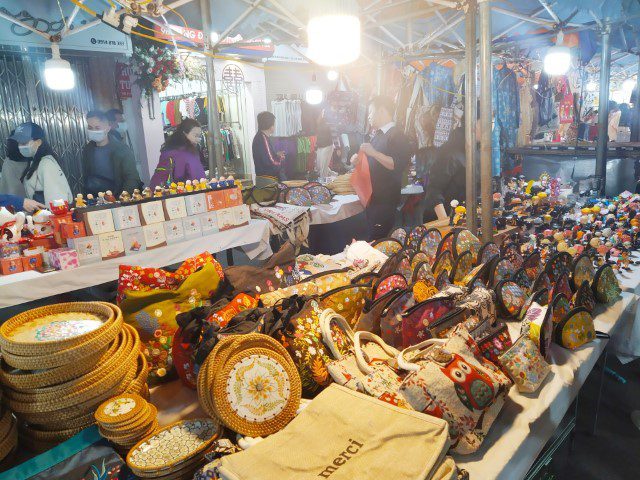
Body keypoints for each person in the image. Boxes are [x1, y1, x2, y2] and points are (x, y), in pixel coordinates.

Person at [350, 96, 412, 241]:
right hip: (373, 198)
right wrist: (358, 161)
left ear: (382, 111)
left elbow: (395, 164)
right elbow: (372, 161)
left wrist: (373, 152)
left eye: (371, 112)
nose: (369, 116)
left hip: (385, 200)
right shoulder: (377, 135)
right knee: (373, 238)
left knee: (379, 240)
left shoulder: (398, 135)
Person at [10, 122, 72, 207]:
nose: (20, 146)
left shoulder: (47, 164)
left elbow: (57, 201)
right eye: (19, 143)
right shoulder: (34, 161)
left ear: (38, 142)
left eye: (24, 143)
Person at [82, 110, 141, 196]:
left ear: (108, 128)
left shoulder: (121, 149)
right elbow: (87, 176)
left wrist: (122, 199)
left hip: (119, 198)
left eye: (97, 128)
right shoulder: (88, 150)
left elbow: (132, 178)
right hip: (96, 201)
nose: (93, 131)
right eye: (90, 128)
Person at [149, 118, 206, 189]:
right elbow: (197, 177)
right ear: (185, 133)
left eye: (199, 136)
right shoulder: (187, 154)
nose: (198, 139)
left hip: (165, 193)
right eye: (195, 135)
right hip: (186, 194)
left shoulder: (168, 150)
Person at [252, 111, 284, 180]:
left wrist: (276, 155)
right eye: (274, 124)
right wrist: (280, 159)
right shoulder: (262, 139)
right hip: (268, 179)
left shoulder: (261, 137)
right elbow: (271, 162)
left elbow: (266, 156)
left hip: (265, 177)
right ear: (271, 126)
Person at [0, 131, 28, 197]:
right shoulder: (9, 163)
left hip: (14, 201)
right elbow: (13, 190)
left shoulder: (8, 161)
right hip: (17, 201)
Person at [315, 109, 335, 179]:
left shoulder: (326, 123)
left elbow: (334, 134)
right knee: (319, 166)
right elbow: (318, 136)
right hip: (320, 146)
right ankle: (334, 176)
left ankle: (323, 185)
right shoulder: (316, 123)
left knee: (323, 167)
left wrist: (338, 147)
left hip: (328, 146)